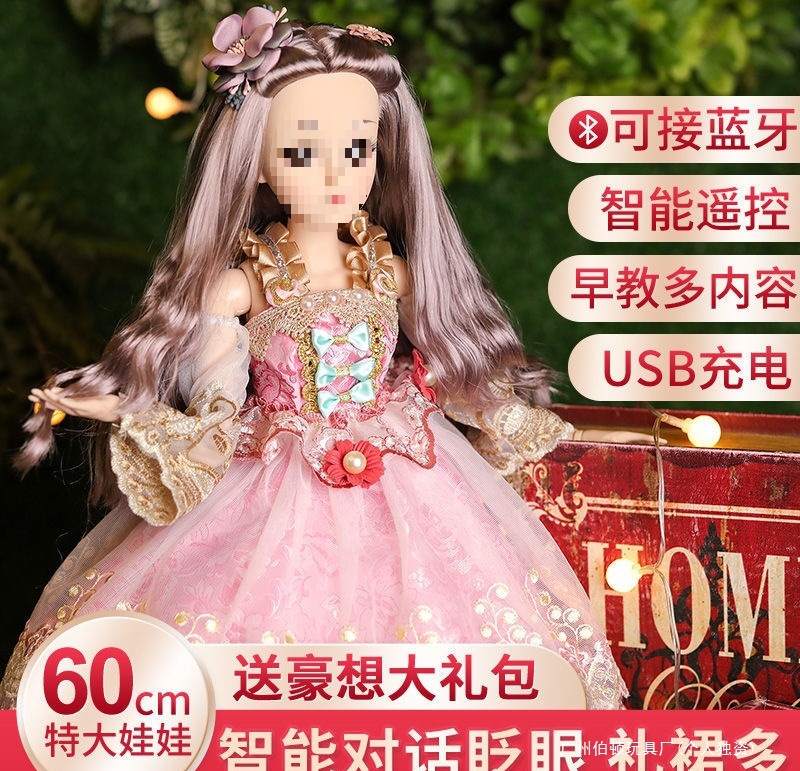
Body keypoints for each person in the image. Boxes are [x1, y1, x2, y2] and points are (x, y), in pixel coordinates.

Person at [2, 9, 643, 710]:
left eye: (358, 149)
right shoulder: (243, 284)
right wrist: (119, 403)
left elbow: (448, 364)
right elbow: (216, 401)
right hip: (274, 473)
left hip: (406, 468)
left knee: (441, 610)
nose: (339, 173)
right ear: (255, 163)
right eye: (304, 152)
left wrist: (502, 412)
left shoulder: (391, 273)